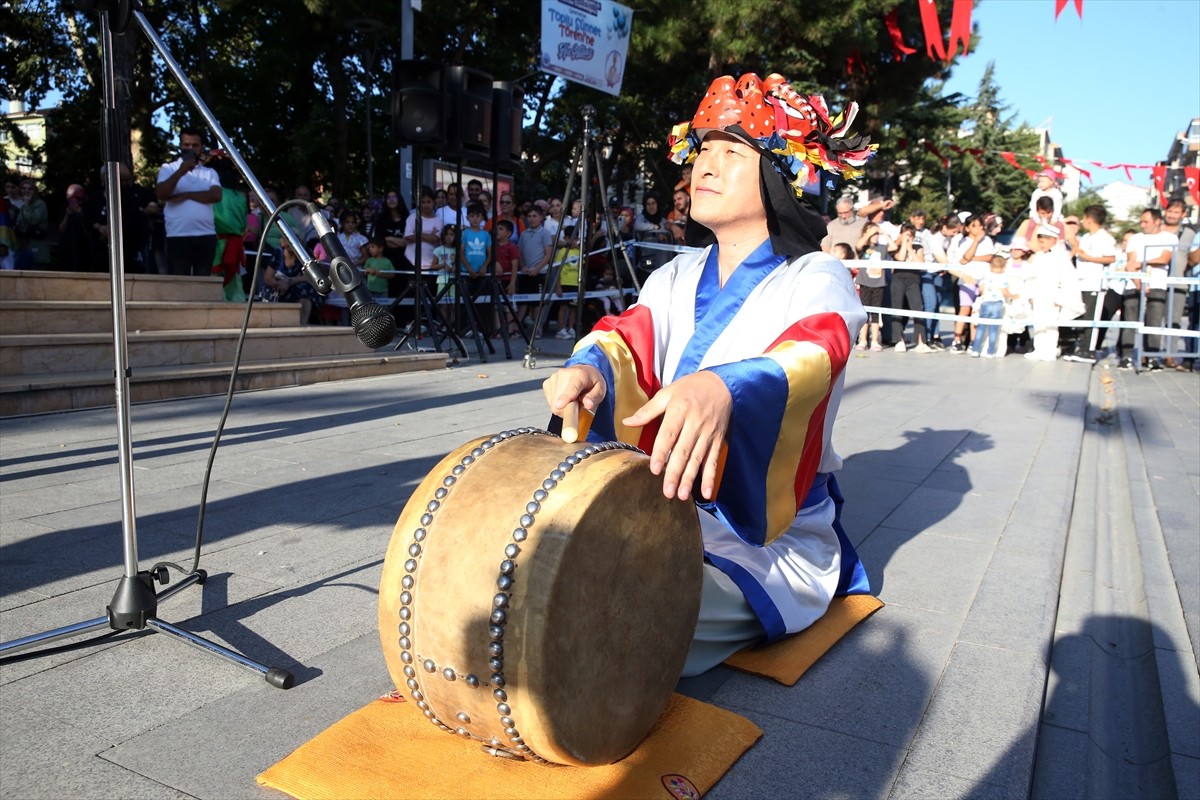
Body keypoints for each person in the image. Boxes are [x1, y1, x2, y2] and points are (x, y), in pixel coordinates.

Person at [543, 72, 875, 676]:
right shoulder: (673, 276)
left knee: (622, 616)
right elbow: (629, 334)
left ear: (780, 175)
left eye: (731, 152)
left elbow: (815, 351)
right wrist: (589, 367)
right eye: (702, 151)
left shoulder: (815, 276)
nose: (705, 166)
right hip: (660, 503)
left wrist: (724, 386)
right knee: (541, 571)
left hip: (762, 537)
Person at [156, 128, 222, 276]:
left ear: (201, 147)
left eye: (194, 145)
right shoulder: (168, 168)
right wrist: (181, 172)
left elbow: (216, 195)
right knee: (179, 284)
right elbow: (162, 193)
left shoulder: (210, 172)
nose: (190, 149)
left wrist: (186, 195)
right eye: (186, 145)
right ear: (180, 146)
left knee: (203, 284)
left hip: (206, 235)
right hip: (178, 234)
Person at [1123, 208, 1179, 370]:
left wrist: (1142, 263)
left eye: (1146, 222)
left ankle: (1152, 355)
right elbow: (1130, 263)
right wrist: (1138, 283)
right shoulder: (1135, 239)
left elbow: (1164, 259)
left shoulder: (1169, 237)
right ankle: (1127, 355)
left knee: (1154, 320)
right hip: (1134, 284)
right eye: (1141, 221)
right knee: (1130, 319)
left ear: (1157, 221)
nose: (1143, 225)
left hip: (1157, 284)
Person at [1062, 205, 1118, 362]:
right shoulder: (1086, 237)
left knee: (1091, 316)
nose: (1082, 221)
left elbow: (1110, 258)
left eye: (1084, 218)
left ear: (1090, 219)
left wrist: (1090, 258)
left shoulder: (1105, 237)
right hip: (1081, 281)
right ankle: (1081, 347)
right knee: (1081, 314)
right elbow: (1077, 250)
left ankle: (1089, 350)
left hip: (1095, 282)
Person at [1024, 224, 1083, 361]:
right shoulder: (1039, 256)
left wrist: (1061, 297)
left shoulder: (1061, 256)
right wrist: (1030, 294)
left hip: (1053, 295)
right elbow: (1032, 276)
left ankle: (1050, 350)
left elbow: (1068, 279)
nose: (1041, 245)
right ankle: (1039, 349)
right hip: (1039, 294)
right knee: (1038, 322)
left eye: (1043, 242)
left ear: (1053, 240)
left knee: (1050, 323)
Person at [1162, 198, 1196, 368]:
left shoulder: (1189, 233)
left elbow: (1191, 258)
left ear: (1183, 214)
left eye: (1176, 212)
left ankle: (1170, 354)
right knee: (1151, 319)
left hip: (1178, 282)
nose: (1172, 215)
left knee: (1174, 321)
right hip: (1156, 280)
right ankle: (1148, 352)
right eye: (1170, 211)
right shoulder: (1157, 229)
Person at [258, 239, 322, 324]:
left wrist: (289, 281)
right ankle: (270, 322)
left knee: (305, 291)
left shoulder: (305, 253)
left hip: (296, 285)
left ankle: (302, 324)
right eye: (287, 241)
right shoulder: (278, 252)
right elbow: (268, 277)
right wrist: (279, 284)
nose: (290, 244)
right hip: (279, 285)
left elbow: (310, 276)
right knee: (268, 290)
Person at [888, 222, 930, 352]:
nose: (908, 237)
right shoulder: (895, 247)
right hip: (898, 279)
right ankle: (899, 339)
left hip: (914, 279)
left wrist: (911, 248)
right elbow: (900, 258)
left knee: (918, 307)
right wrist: (904, 245)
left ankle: (920, 340)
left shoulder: (918, 247)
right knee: (897, 307)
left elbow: (920, 263)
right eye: (905, 234)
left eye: (910, 235)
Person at [515, 205, 554, 333]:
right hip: (525, 273)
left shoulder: (545, 233)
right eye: (529, 216)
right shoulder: (524, 234)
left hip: (539, 273)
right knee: (523, 302)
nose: (531, 219)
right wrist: (522, 266)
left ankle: (538, 328)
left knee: (537, 303)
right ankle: (516, 328)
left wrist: (537, 269)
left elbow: (548, 254)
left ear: (541, 218)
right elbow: (519, 252)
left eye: (534, 216)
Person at [969, 255, 1015, 359]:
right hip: (997, 304)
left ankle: (975, 350)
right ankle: (991, 351)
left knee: (981, 327)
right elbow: (1005, 292)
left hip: (985, 303)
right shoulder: (1004, 277)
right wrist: (1013, 296)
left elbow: (981, 289)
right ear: (1003, 267)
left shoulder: (986, 276)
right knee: (993, 329)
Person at [852, 224, 886, 352]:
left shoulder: (881, 248)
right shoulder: (864, 248)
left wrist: (882, 232)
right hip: (865, 283)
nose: (875, 236)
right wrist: (869, 232)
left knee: (876, 313)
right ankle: (863, 340)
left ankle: (875, 340)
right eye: (873, 234)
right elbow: (858, 246)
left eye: (876, 234)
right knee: (864, 312)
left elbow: (893, 247)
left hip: (878, 283)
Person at [14, 180, 50, 268]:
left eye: (30, 189)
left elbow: (34, 221)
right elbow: (21, 224)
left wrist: (26, 206)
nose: (26, 191)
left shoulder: (40, 204)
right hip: (24, 248)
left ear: (35, 191)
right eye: (23, 188)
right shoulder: (23, 206)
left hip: (37, 249)